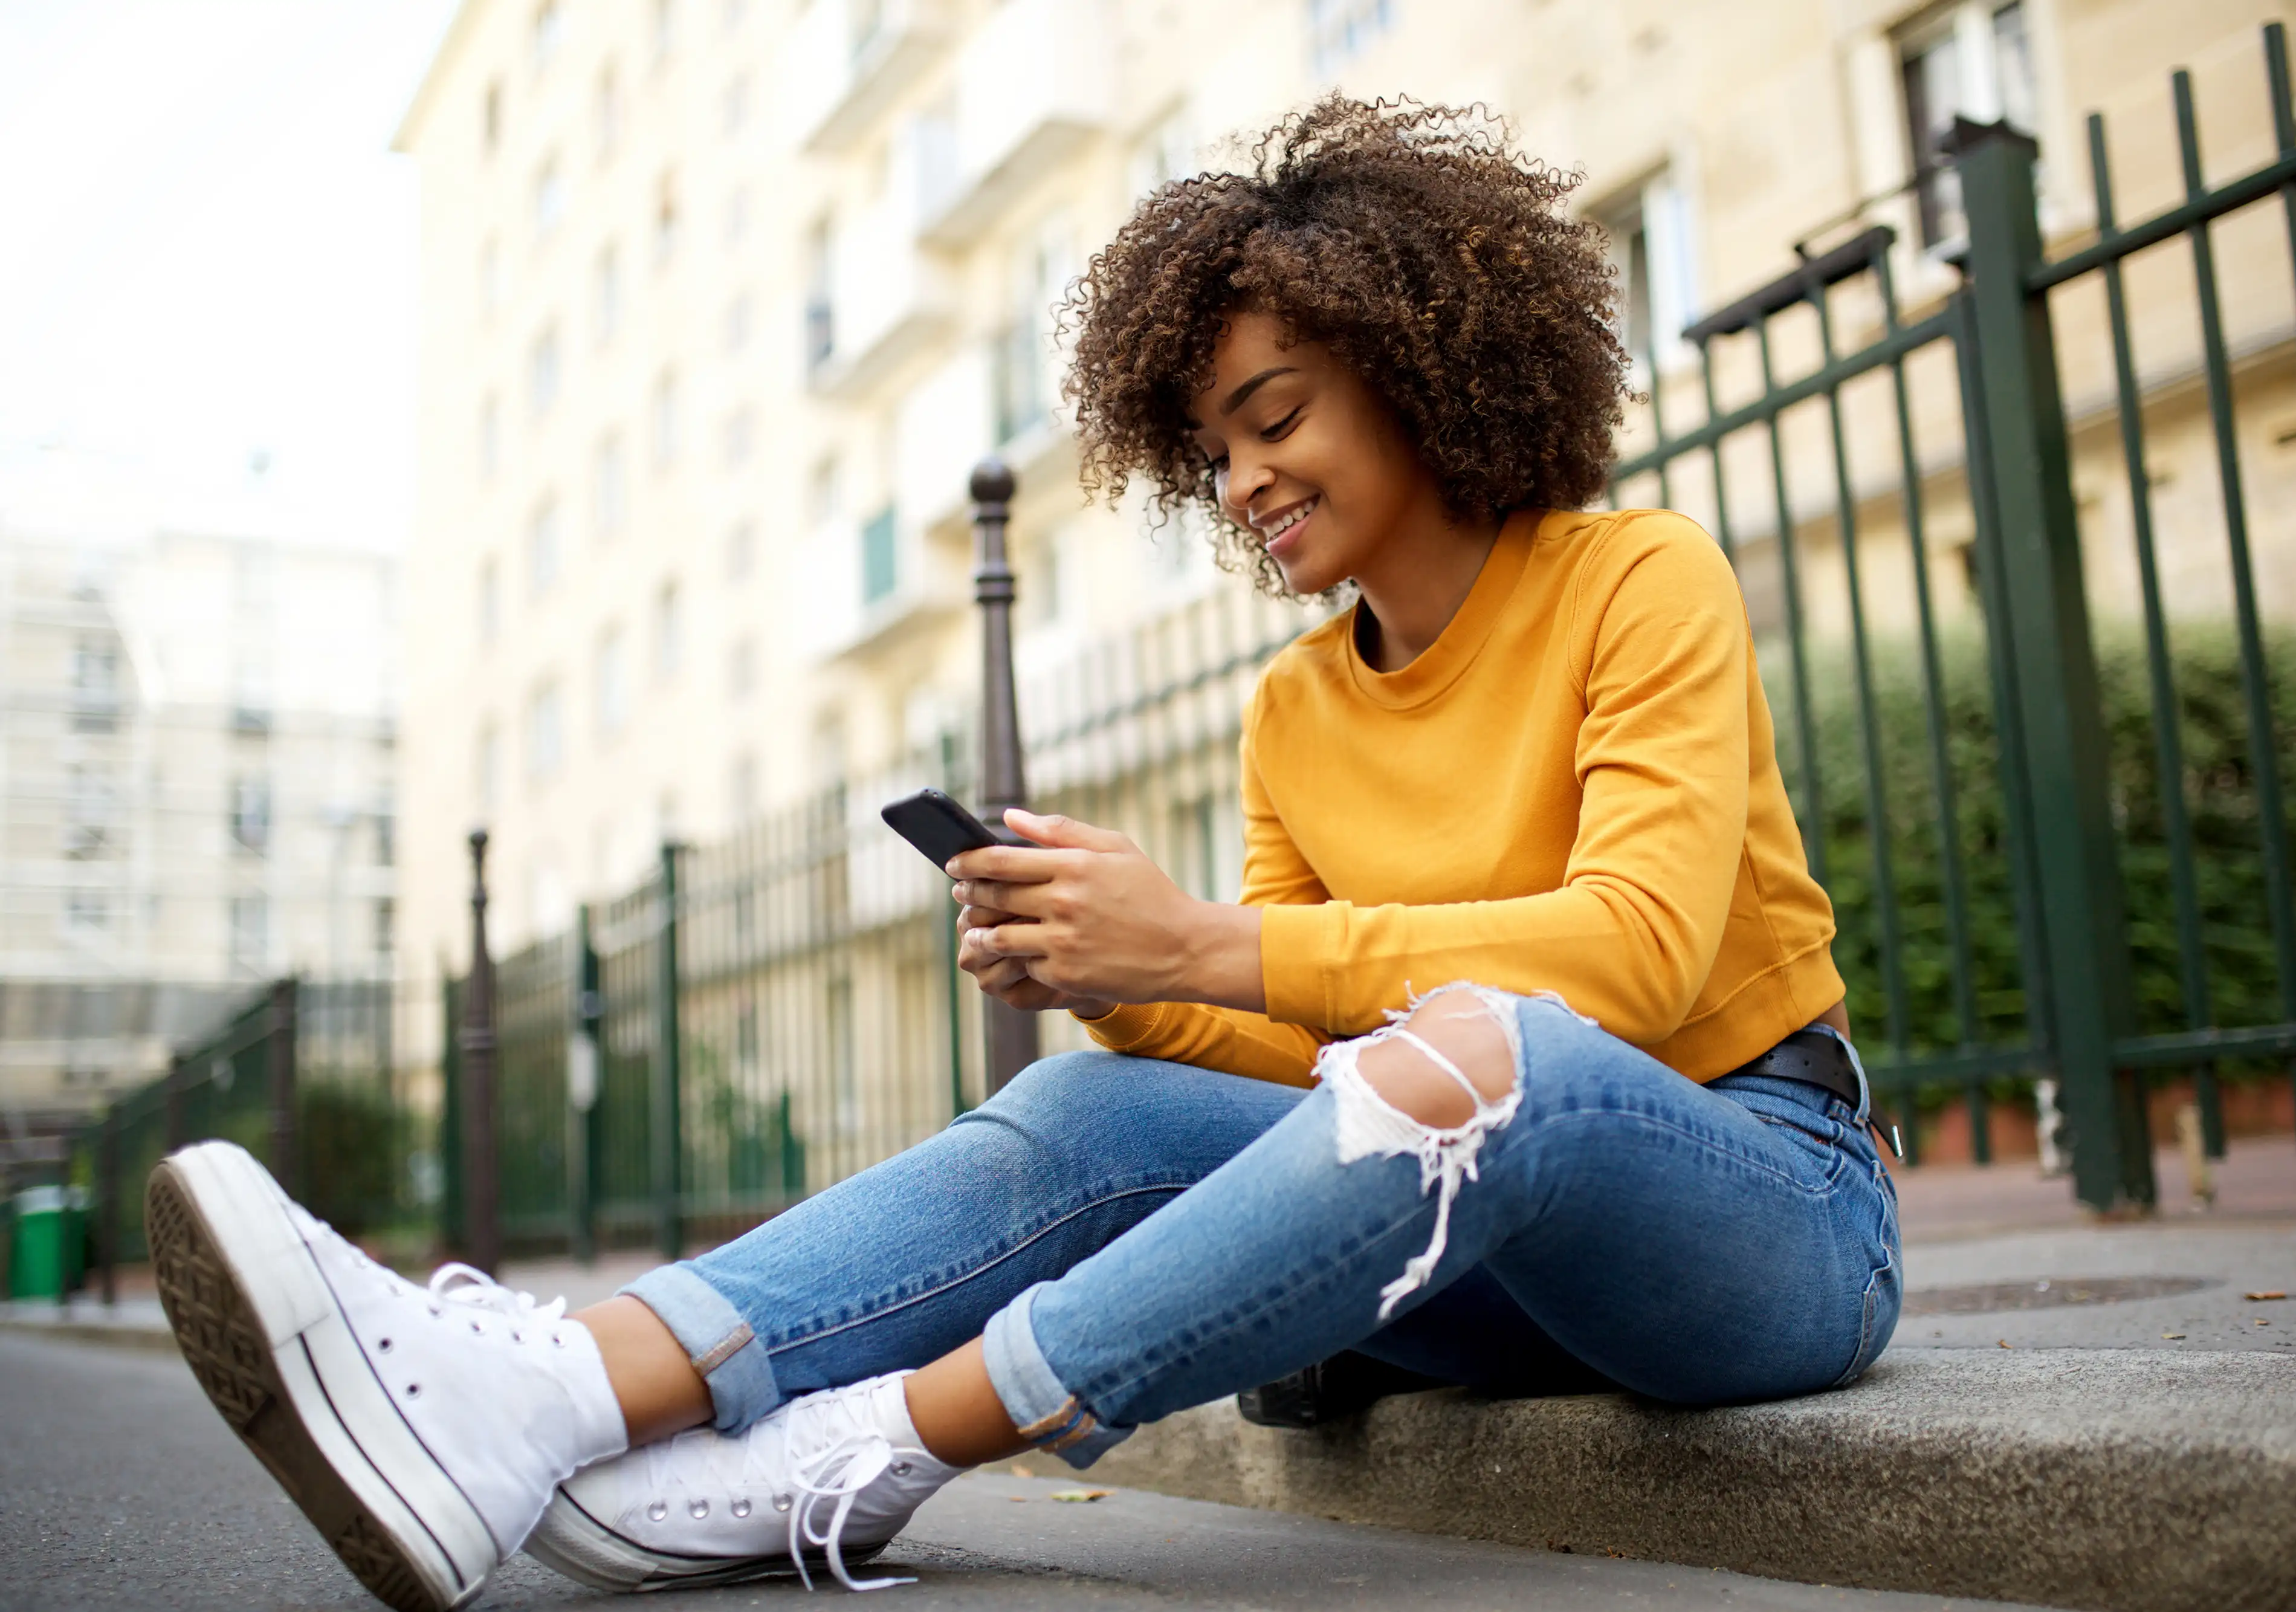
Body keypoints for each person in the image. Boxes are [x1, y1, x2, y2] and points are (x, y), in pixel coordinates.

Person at [146, 97, 1898, 1612]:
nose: (1242, 482)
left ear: (1421, 368)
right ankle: (550, 1389)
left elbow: (1638, 957)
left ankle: (870, 1450)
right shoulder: (1297, 709)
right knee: (1089, 1111)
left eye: (1274, 417)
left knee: (1494, 1057)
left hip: (1762, 1207)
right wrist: (1123, 977)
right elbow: (1311, 1059)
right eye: (1211, 450)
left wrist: (1203, 946)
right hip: (1478, 1261)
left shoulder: (1633, 579)